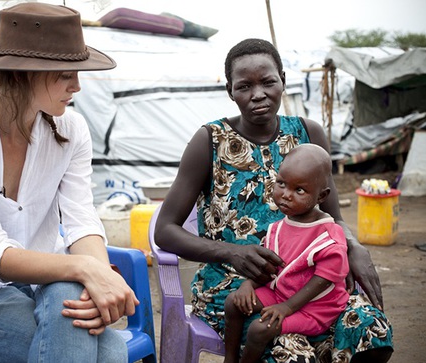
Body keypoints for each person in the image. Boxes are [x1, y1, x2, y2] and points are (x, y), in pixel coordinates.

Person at [154, 38, 393, 362]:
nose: (258, 94)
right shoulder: (209, 140)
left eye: (268, 81)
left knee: (370, 328)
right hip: (237, 287)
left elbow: (333, 216)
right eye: (244, 86)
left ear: (282, 78)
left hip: (311, 282)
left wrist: (352, 244)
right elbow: (165, 229)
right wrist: (233, 252)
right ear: (230, 90)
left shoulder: (309, 134)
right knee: (287, 349)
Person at [0, 3, 138, 362]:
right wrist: (87, 270)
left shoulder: (71, 129)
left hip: (51, 279)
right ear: (25, 73)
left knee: (77, 317)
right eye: (66, 73)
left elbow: (81, 219)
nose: (78, 86)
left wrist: (98, 278)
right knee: (110, 351)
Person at [223, 144, 350, 363]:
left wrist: (287, 307)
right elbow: (269, 266)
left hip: (316, 309)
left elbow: (324, 280)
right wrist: (248, 285)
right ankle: (230, 358)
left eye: (299, 190)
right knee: (233, 302)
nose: (286, 195)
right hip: (282, 293)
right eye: (281, 184)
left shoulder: (328, 235)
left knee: (259, 329)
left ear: (322, 196)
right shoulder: (279, 227)